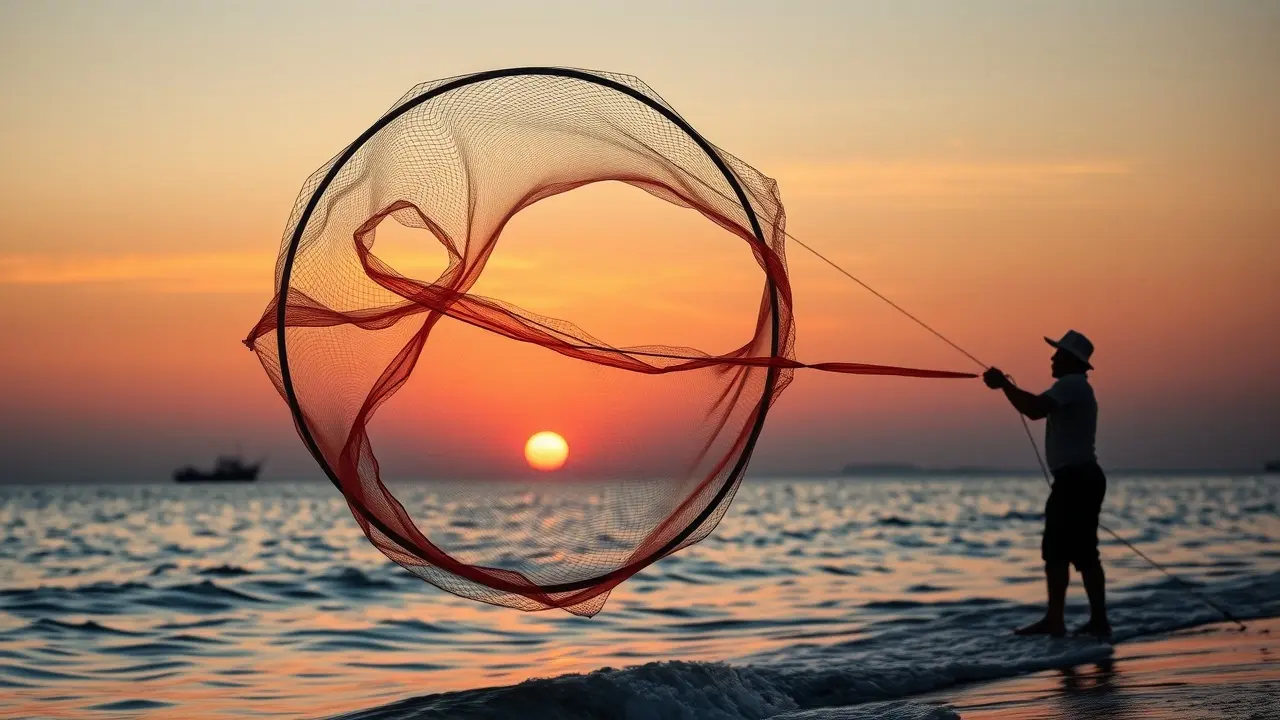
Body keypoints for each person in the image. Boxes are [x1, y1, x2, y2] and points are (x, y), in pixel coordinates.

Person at [984, 330, 1111, 638]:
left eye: (1058, 353)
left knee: (1064, 551)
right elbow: (1036, 406)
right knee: (1076, 551)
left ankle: (1066, 621)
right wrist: (1007, 387)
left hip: (1077, 479)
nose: (1052, 358)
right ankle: (1085, 620)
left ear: (1071, 360)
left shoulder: (1072, 385)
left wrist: (1004, 386)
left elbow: (1035, 409)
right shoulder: (1073, 387)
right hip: (1080, 478)